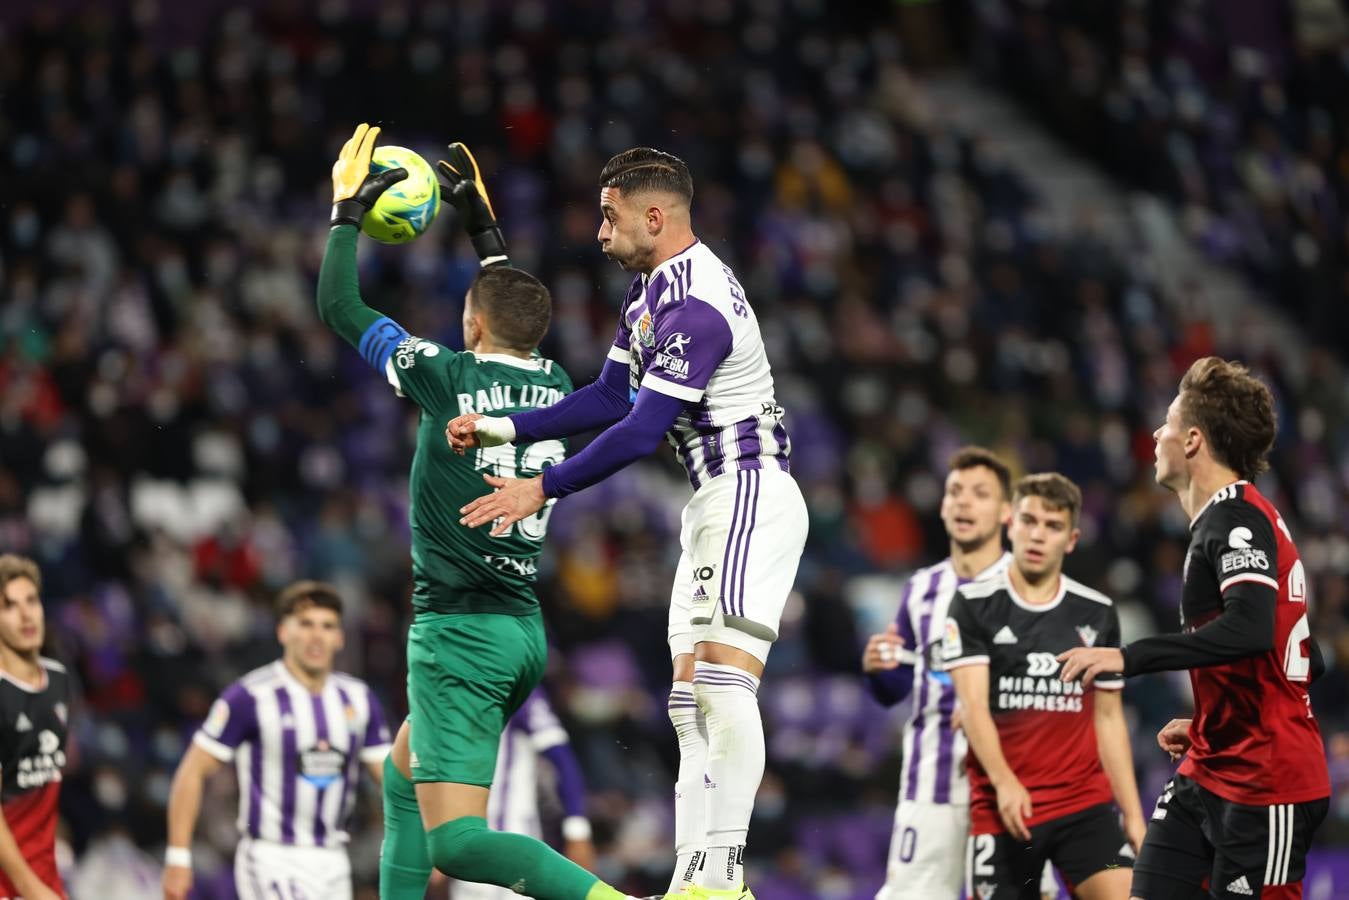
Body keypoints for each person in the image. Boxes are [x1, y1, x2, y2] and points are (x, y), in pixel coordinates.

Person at [449, 147, 809, 900]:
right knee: (685, 698)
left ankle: (724, 874)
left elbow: (643, 432)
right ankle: (690, 876)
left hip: (750, 490)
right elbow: (608, 398)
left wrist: (538, 488)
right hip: (713, 502)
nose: (598, 229)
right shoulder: (649, 295)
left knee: (718, 680)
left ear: (655, 216)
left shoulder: (696, 304)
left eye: (609, 215)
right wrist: (506, 429)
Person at [321, 123, 639, 900]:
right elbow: (511, 311)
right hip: (522, 630)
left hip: (458, 631)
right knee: (402, 774)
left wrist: (344, 216)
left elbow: (338, 304)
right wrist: (484, 231)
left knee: (457, 843)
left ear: (469, 326)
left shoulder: (444, 374)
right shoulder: (560, 383)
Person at [1058, 357, 1330, 900]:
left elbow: (1251, 631)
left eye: (1167, 422)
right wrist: (1217, 713)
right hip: (1211, 764)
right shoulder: (1230, 522)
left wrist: (1128, 657)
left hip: (1267, 780)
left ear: (1192, 441)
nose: (1157, 434)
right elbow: (1304, 655)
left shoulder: (1236, 519)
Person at [944, 473, 1145, 900]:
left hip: (1085, 810)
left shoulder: (1097, 612)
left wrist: (1132, 815)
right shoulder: (974, 604)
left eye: (1052, 526)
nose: (1038, 535)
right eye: (1029, 521)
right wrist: (1005, 783)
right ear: (1010, 525)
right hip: (1004, 811)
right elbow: (974, 707)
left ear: (1071, 540)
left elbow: (1108, 719)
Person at [162, 580, 390, 900]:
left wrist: (428, 837)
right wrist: (178, 857)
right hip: (272, 858)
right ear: (283, 632)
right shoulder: (251, 695)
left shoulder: (359, 699)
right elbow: (192, 770)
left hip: (334, 859)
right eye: (306, 624)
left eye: (327, 626)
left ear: (339, 637)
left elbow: (391, 780)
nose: (316, 635)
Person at [450, 686, 597, 900]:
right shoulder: (443, 684)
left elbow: (562, 759)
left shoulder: (512, 685)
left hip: (510, 834)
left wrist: (577, 832)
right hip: (461, 840)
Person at [0, 555, 70, 900]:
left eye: (31, 600)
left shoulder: (58, 680)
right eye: (9, 606)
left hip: (44, 878)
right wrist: (29, 888)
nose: (26, 614)